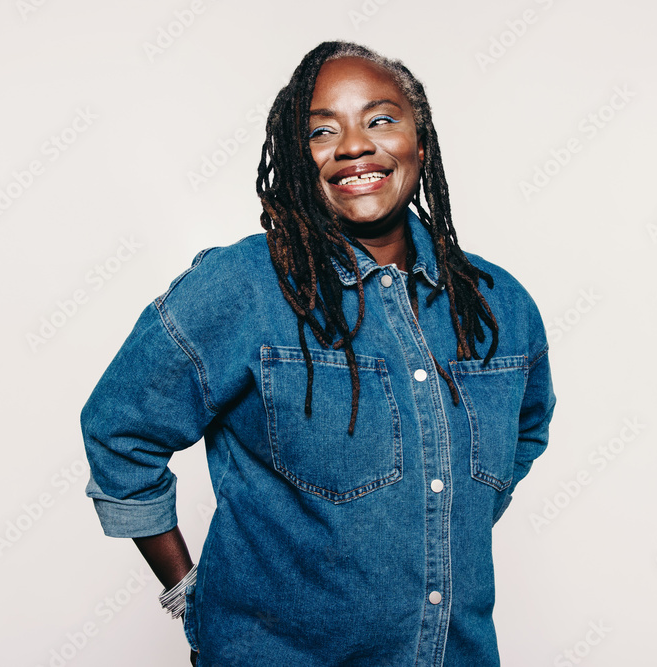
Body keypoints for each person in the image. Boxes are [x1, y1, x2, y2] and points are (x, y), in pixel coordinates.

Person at [81, 40, 555, 666]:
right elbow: (120, 429)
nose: (355, 146)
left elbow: (523, 434)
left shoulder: (498, 304)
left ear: (422, 140)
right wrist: (185, 591)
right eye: (321, 132)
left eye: (381, 119)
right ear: (298, 159)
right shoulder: (244, 288)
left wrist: (424, 516)